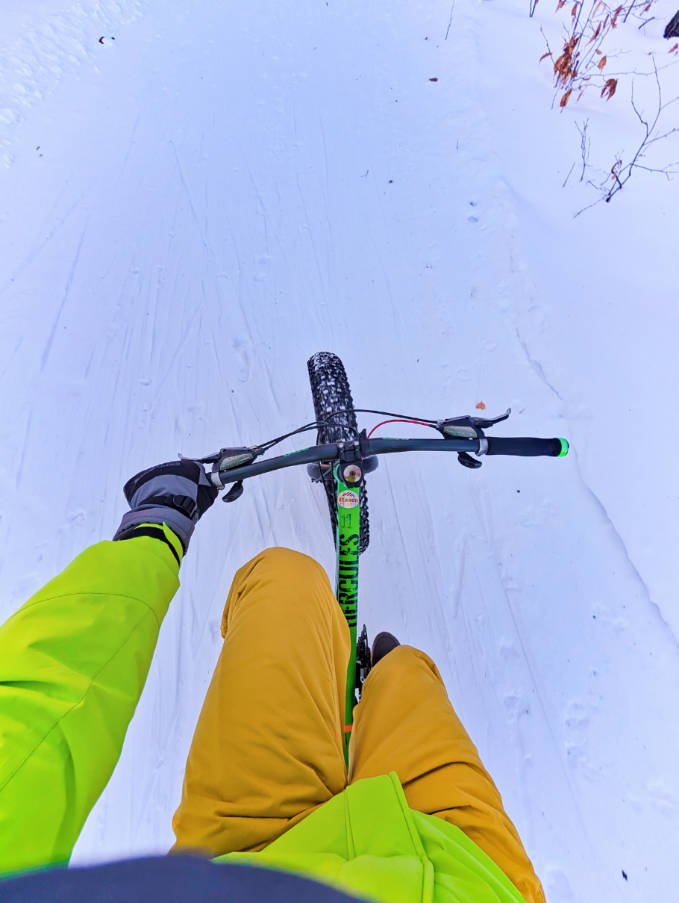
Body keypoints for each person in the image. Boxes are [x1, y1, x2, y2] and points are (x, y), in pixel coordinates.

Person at [0, 459, 546, 903]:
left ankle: (361, 684)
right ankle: (380, 680)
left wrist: (155, 527)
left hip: (249, 847)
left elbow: (34, 713)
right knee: (406, 671)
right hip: (463, 861)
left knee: (284, 576)